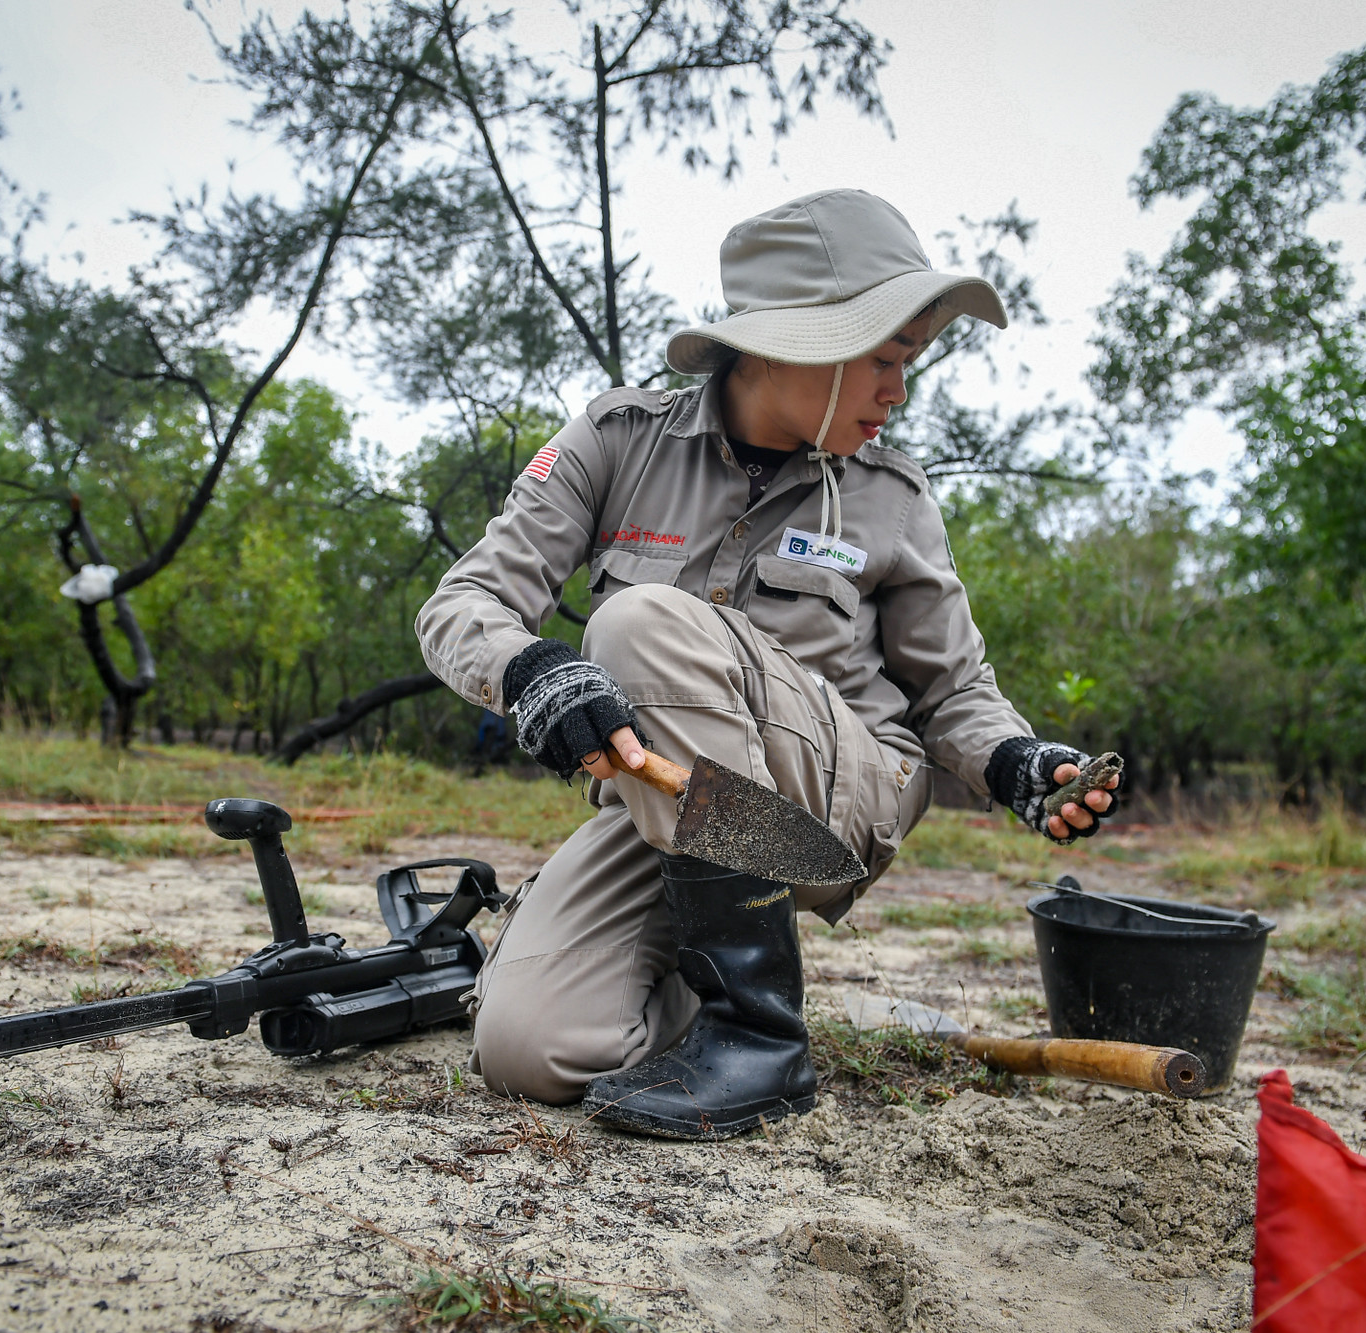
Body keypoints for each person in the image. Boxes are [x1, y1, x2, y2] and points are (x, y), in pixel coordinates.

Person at [415, 188, 1119, 1139]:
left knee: (632, 625)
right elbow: (464, 602)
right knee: (531, 1048)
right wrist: (531, 669)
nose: (897, 392)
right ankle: (717, 1010)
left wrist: (1017, 764)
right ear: (801, 342)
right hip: (677, 804)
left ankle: (763, 1037)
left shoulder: (892, 497)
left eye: (907, 363)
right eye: (885, 359)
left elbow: (954, 691)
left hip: (838, 797)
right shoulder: (617, 442)